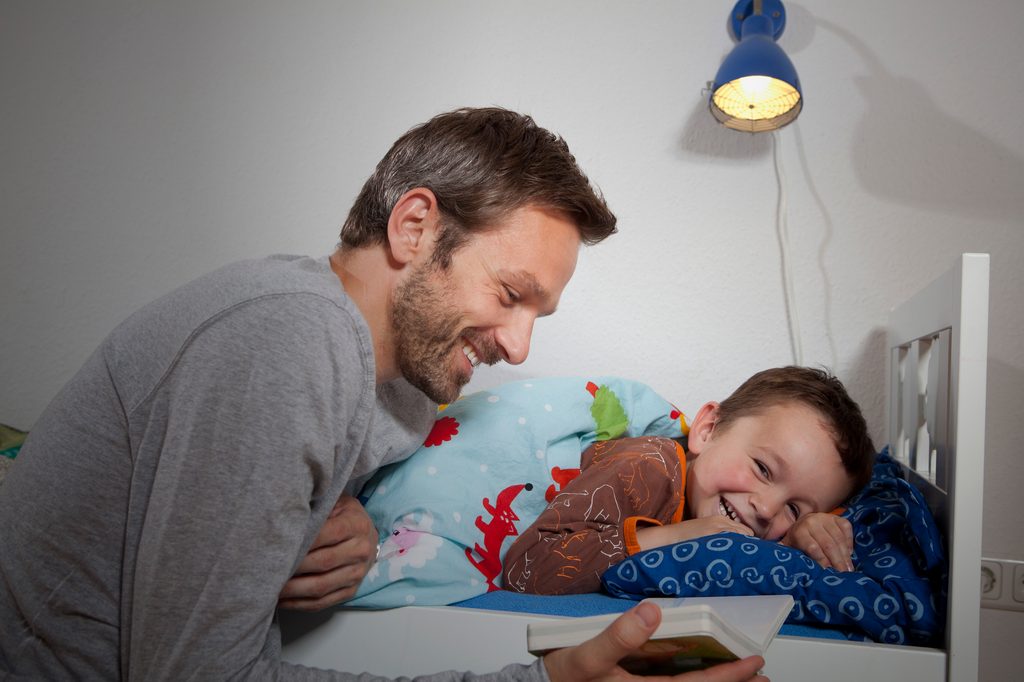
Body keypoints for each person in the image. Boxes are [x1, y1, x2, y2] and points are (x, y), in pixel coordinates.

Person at [0, 107, 768, 682]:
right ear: (415, 227)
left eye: (537, 314)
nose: (519, 345)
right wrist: (545, 678)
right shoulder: (288, 337)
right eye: (509, 293)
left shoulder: (402, 395)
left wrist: (362, 522)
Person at [503, 366, 876, 595]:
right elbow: (528, 570)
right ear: (708, 429)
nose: (766, 508)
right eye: (762, 469)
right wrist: (677, 534)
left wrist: (806, 530)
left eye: (793, 508)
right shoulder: (648, 468)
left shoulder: (750, 522)